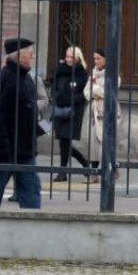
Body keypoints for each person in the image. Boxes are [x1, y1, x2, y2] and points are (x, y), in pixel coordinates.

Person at [0, 38, 42, 209]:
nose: (33, 57)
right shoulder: (3, 79)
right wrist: (2, 148)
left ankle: (31, 222)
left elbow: (29, 110)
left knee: (32, 190)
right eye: (30, 53)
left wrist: (37, 129)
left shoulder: (26, 78)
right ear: (19, 56)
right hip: (5, 150)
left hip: (25, 149)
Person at [51, 46, 92, 183]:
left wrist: (71, 99)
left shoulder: (82, 74)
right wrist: (57, 97)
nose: (68, 59)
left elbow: (84, 95)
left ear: (78, 59)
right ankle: (84, 164)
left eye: (72, 57)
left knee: (65, 140)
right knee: (64, 142)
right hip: (60, 109)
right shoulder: (60, 70)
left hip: (73, 111)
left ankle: (64, 172)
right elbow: (54, 87)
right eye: (67, 56)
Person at [84, 48, 121, 178]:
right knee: (94, 143)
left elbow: (109, 92)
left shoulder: (113, 74)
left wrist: (94, 88)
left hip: (108, 112)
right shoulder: (93, 74)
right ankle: (94, 174)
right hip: (95, 112)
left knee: (106, 141)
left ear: (105, 59)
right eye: (94, 58)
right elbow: (86, 93)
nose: (96, 61)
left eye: (98, 58)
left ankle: (112, 168)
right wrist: (96, 91)